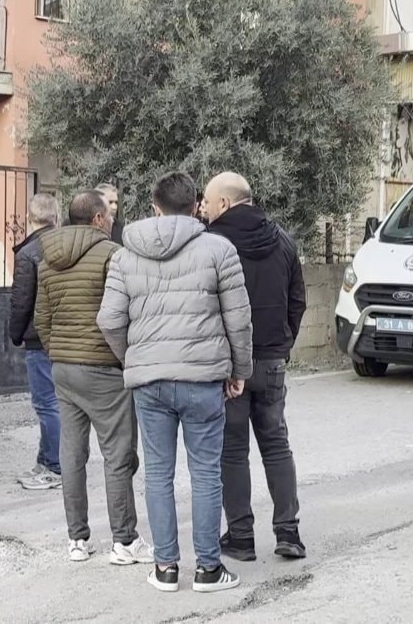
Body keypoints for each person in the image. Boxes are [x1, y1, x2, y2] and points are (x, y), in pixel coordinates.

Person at [97, 173, 253, 594]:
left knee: (158, 474)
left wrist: (132, 357)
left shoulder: (125, 257)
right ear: (197, 207)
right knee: (205, 474)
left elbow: (109, 319)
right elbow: (238, 319)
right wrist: (240, 370)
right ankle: (207, 569)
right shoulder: (220, 250)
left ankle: (166, 567)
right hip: (203, 379)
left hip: (150, 381)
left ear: (155, 207)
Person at [35, 190, 152, 565]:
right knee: (117, 454)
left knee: (72, 453)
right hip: (104, 369)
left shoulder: (47, 258)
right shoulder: (112, 255)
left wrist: (59, 352)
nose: (114, 220)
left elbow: (43, 320)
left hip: (64, 368)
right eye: (110, 215)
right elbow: (124, 313)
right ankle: (124, 539)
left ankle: (77, 539)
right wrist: (123, 359)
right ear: (99, 220)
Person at [202, 171, 307, 561]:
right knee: (277, 445)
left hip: (231, 368)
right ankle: (289, 532)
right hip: (273, 361)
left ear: (225, 204)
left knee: (233, 451)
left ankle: (241, 537)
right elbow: (298, 300)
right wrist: (283, 343)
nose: (204, 209)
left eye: (209, 203)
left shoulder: (213, 244)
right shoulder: (283, 240)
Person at [9, 193, 62, 490]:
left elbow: (21, 301)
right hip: (64, 334)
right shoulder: (64, 245)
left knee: (46, 404)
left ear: (30, 218)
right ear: (55, 217)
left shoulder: (28, 253)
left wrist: (15, 334)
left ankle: (53, 467)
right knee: (55, 403)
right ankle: (45, 459)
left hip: (38, 337)